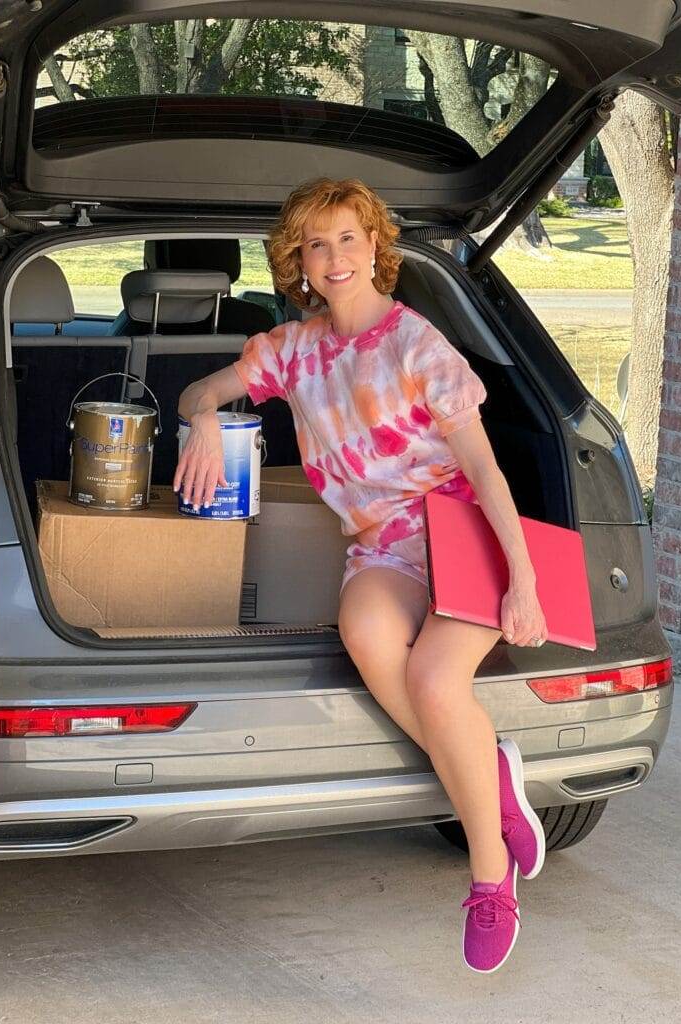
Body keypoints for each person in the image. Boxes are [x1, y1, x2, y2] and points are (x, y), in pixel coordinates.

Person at [175, 177, 548, 973]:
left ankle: (491, 877)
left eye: (349, 238)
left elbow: (486, 471)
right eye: (317, 244)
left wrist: (524, 578)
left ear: (376, 248)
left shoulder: (419, 345)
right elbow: (201, 388)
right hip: (382, 543)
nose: (335, 257)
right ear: (298, 263)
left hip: (461, 527)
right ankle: (491, 776)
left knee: (438, 683)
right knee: (367, 631)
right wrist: (204, 418)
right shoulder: (294, 350)